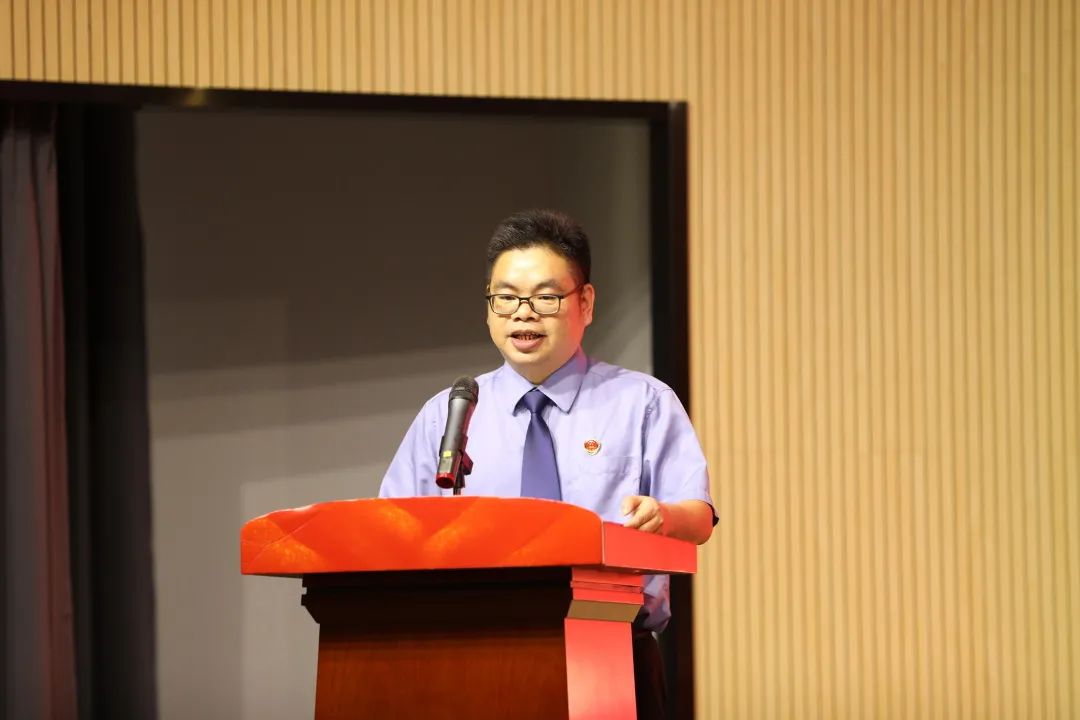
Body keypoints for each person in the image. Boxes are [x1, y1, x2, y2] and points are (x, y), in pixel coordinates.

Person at [379, 208, 715, 719]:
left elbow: (699, 517)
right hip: (474, 654)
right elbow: (391, 530)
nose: (523, 314)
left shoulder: (642, 402)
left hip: (612, 652)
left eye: (545, 297)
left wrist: (663, 517)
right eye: (506, 297)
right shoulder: (450, 413)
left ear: (586, 303)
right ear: (489, 308)